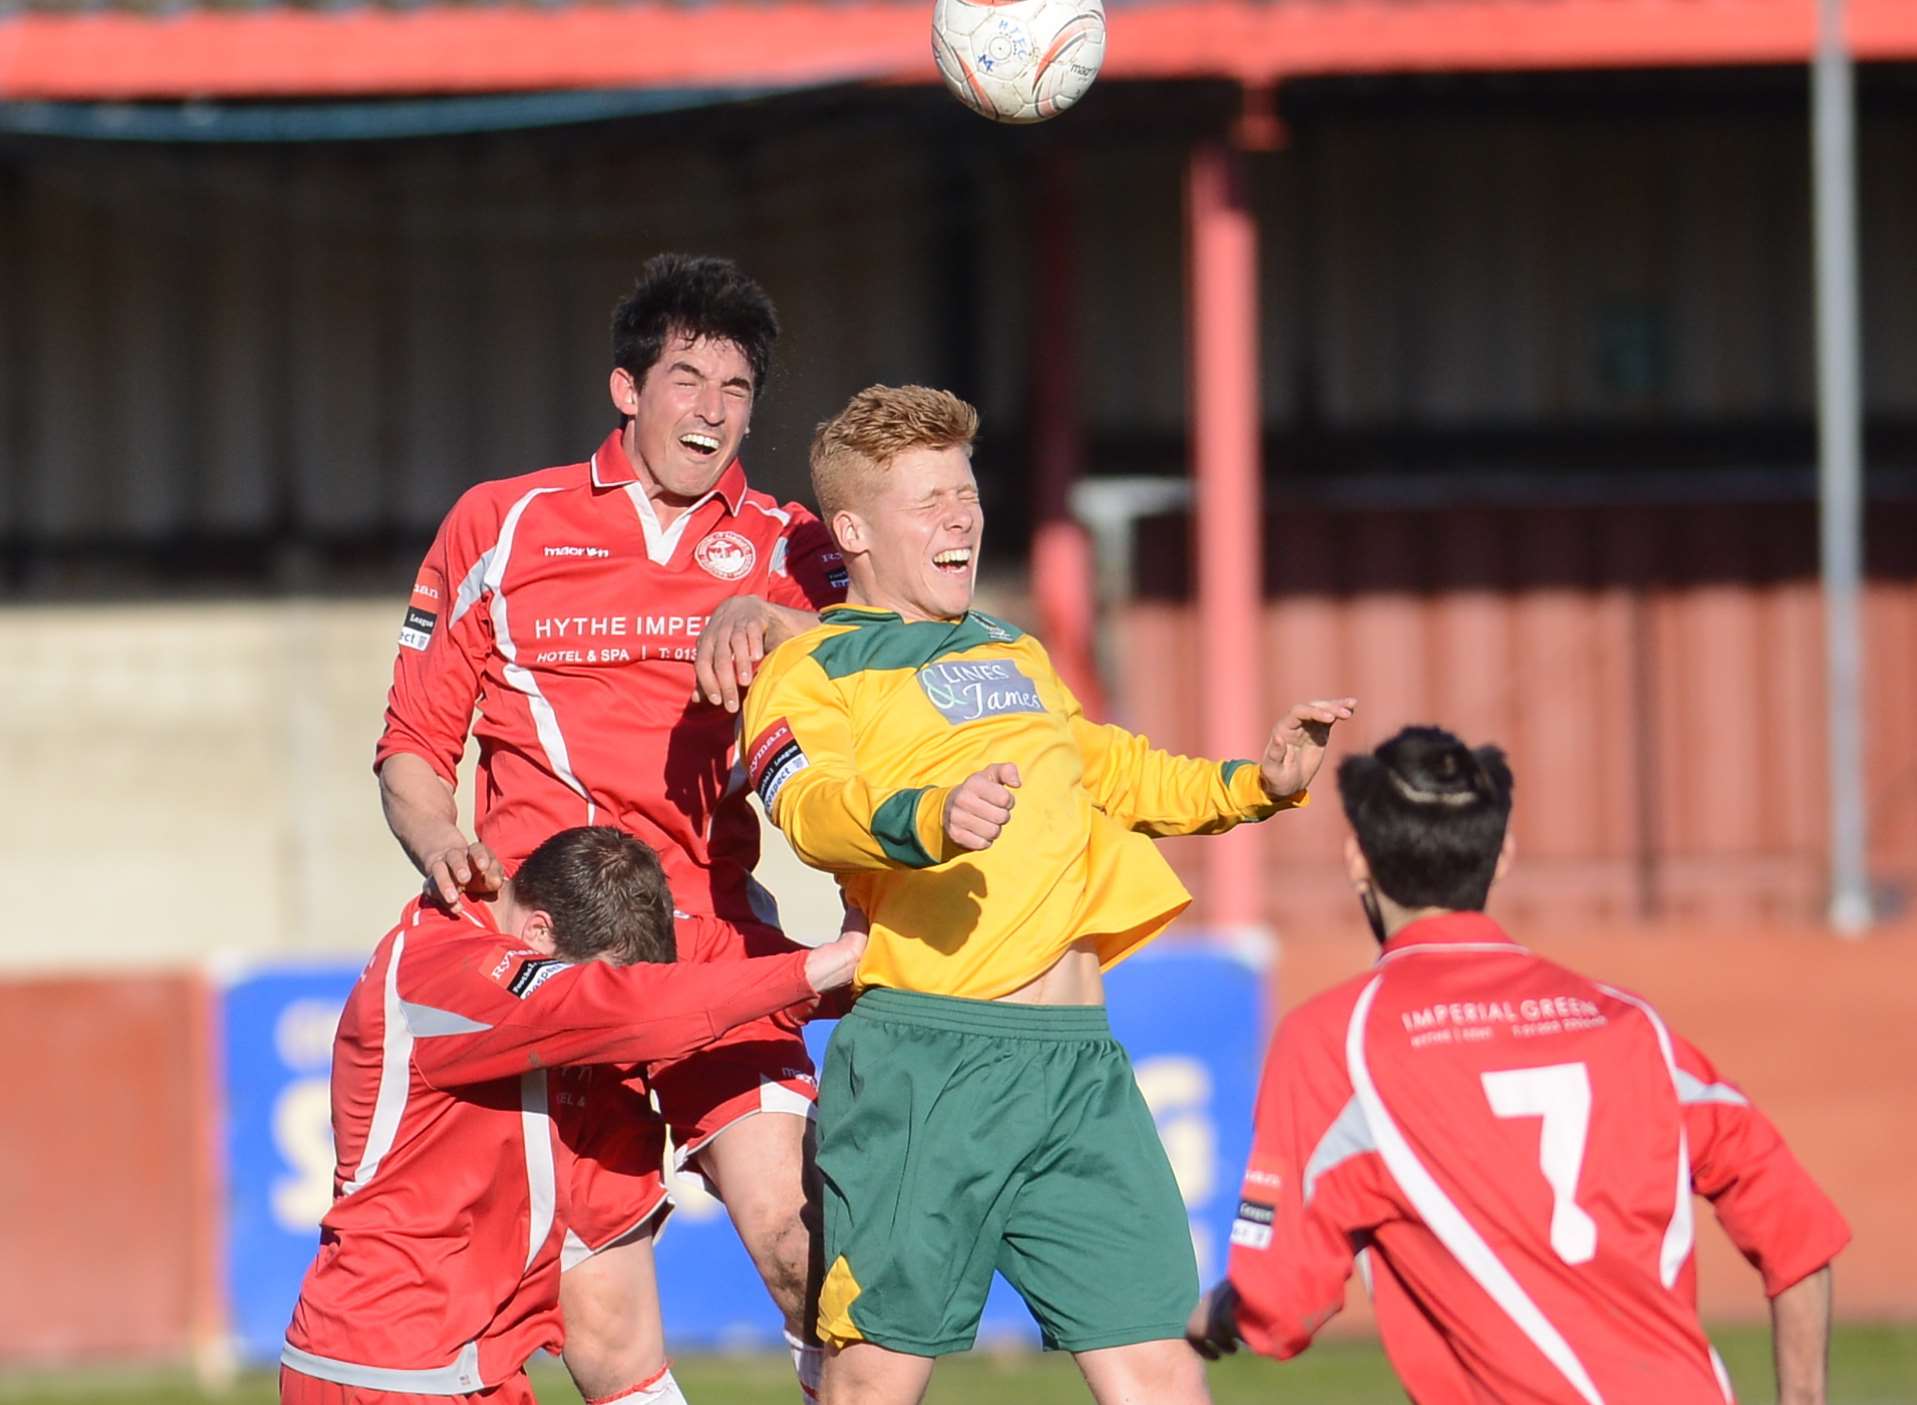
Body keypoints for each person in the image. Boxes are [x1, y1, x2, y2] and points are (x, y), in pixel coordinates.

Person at [738, 383, 1355, 1405]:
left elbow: (1111, 770)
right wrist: (928, 816)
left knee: (1158, 1363)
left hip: (1079, 1070)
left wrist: (1257, 783)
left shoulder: (1013, 647)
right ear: (852, 529)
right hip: (930, 1066)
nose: (961, 516)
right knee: (873, 1379)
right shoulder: (811, 669)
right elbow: (807, 808)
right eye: (928, 498)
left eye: (966, 491)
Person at [374, 253, 846, 1404]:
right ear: (627, 390)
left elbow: (895, 643)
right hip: (553, 953)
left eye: (736, 391)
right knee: (603, 1328)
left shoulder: (791, 544)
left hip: (715, 942)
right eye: (687, 379)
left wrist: (775, 626)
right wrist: (439, 841)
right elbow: (410, 750)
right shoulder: (501, 522)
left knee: (806, 1255)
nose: (713, 411)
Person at [1186, 726, 1852, 1405]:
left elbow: (1282, 1304)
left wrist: (1208, 1310)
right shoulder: (1630, 1026)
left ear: (1357, 857)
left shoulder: (1336, 1041)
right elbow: (1797, 1231)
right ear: (1501, 856)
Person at [280, 825, 867, 1405]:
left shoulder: (512, 952)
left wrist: (869, 965)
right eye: (597, 970)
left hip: (460, 1363)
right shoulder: (445, 973)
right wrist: (818, 967)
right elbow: (622, 1008)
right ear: (539, 931)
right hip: (384, 1367)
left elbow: (690, 975)